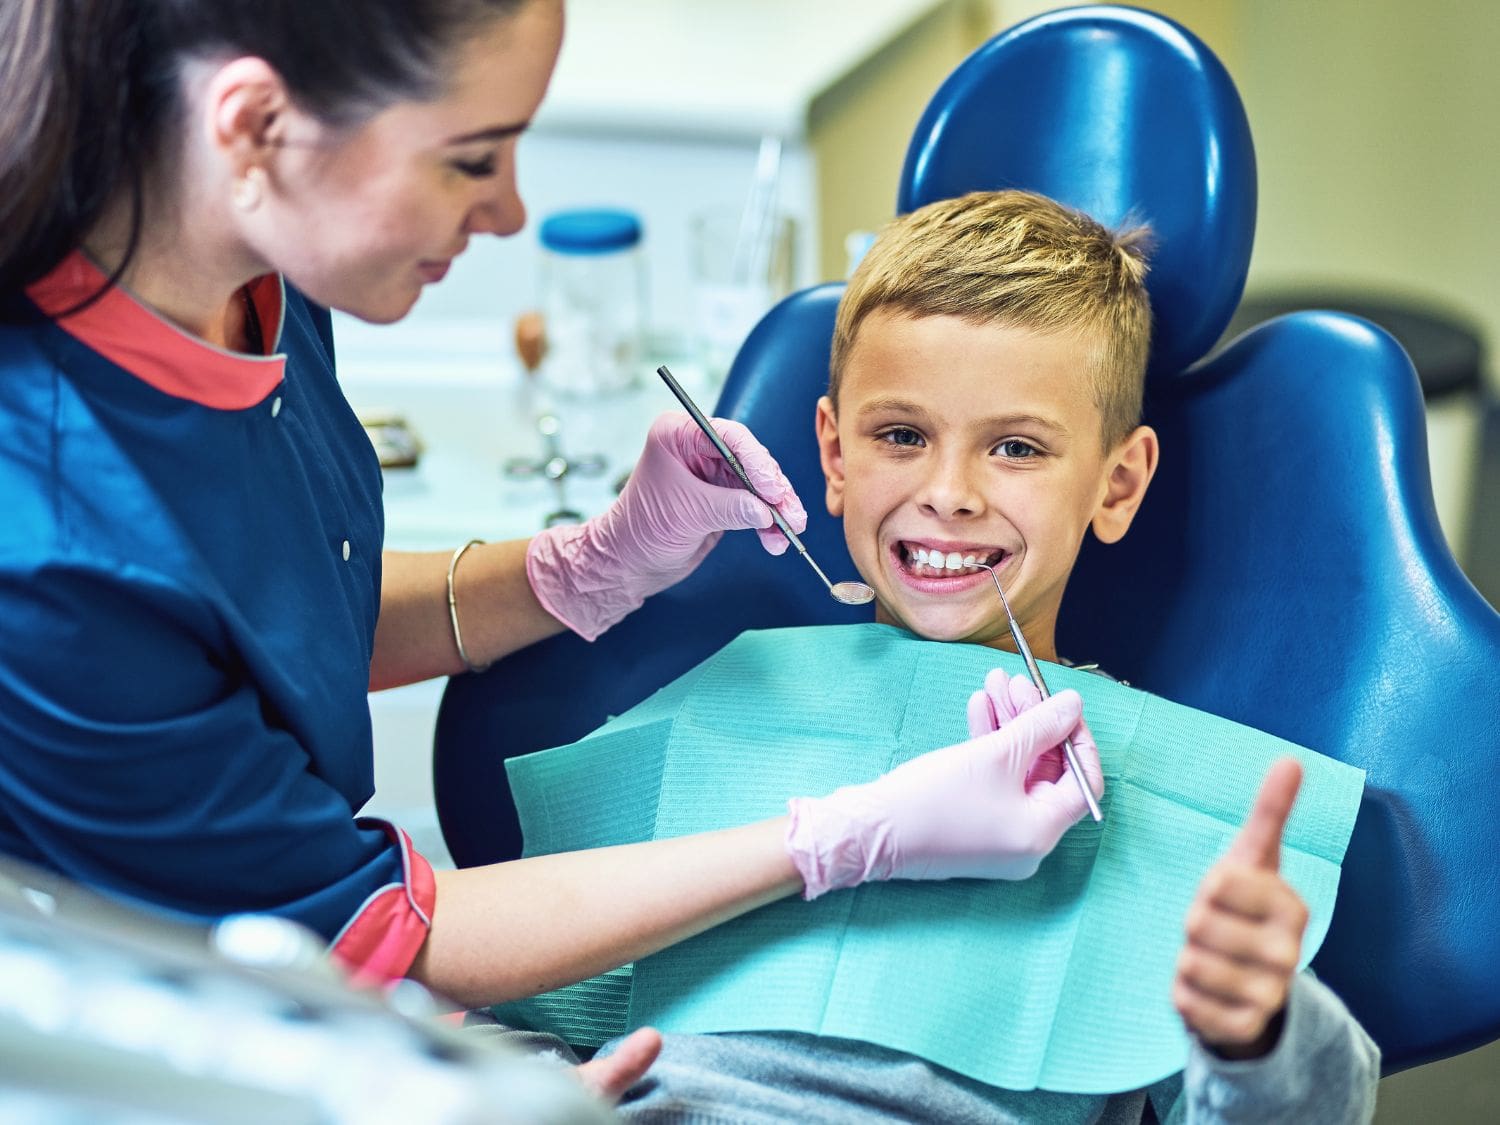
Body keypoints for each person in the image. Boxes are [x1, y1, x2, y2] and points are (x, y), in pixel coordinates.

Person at [0, 0, 1104, 1105]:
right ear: (252, 130)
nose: (512, 209)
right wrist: (840, 841)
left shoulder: (253, 277)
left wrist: (587, 564)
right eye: (472, 157)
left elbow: (272, 617)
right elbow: (364, 924)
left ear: (1121, 479)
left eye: (1014, 447)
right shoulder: (44, 553)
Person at [549, 191, 1375, 1121]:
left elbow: (1301, 1109)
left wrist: (1260, 1029)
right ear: (833, 456)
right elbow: (517, 991)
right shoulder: (720, 704)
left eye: (1015, 447)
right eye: (902, 435)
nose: (948, 493)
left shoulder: (1159, 795)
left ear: (1118, 483)